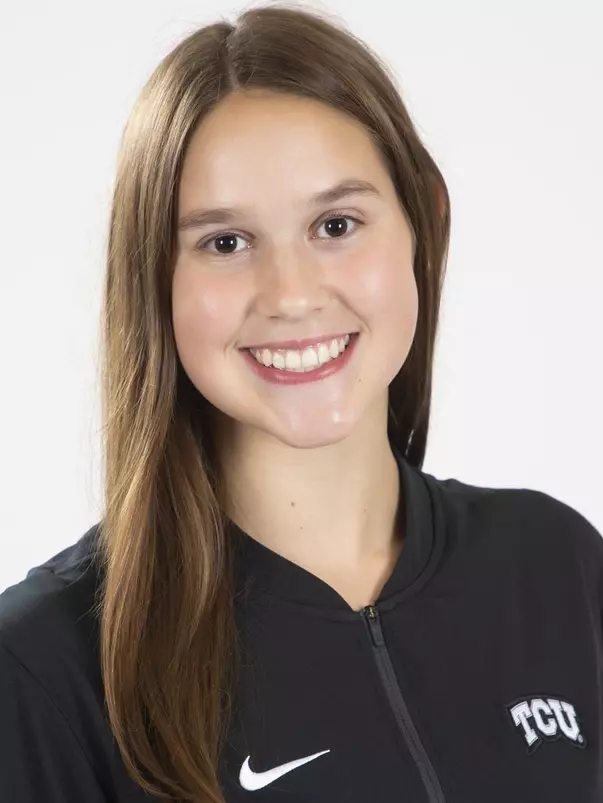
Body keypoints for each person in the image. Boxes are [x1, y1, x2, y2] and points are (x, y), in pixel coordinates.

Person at [0, 4, 601, 802]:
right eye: (225, 242)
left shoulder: (554, 566)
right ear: (153, 276)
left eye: (336, 223)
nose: (290, 294)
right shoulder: (47, 666)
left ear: (424, 219)